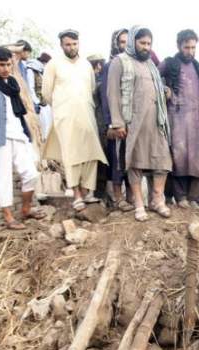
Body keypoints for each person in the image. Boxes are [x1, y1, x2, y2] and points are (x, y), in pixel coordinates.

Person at [106, 25, 174, 221]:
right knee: (135, 163)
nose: (146, 47)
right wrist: (118, 123)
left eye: (149, 44)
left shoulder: (151, 64)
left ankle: (157, 200)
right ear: (132, 42)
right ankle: (138, 204)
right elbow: (113, 94)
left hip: (155, 122)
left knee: (162, 161)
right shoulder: (120, 62)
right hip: (133, 122)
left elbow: (155, 87)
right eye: (142, 43)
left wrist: (164, 91)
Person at [0, 46, 45, 229]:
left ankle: (26, 209)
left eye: (8, 64)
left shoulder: (13, 83)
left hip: (19, 135)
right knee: (2, 178)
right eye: (1, 65)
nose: (5, 68)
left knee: (31, 174)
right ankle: (8, 218)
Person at [42, 29, 107, 210]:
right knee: (71, 155)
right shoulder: (53, 64)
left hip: (86, 115)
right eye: (68, 44)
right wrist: (62, 107)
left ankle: (87, 193)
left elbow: (92, 89)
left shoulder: (86, 65)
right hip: (65, 117)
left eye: (74, 44)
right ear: (61, 45)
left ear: (79, 43)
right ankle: (77, 194)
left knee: (90, 154)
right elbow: (47, 93)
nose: (71, 47)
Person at [159, 29, 199, 208]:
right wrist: (165, 89)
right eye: (186, 47)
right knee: (178, 159)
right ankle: (180, 198)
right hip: (176, 119)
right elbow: (154, 79)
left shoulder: (198, 68)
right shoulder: (169, 64)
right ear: (178, 46)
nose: (190, 51)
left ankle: (193, 198)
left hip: (196, 122)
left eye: (193, 47)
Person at [99, 29, 133, 211]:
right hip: (117, 123)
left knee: (132, 161)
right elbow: (107, 97)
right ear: (115, 43)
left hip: (133, 123)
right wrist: (111, 123)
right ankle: (119, 199)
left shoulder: (134, 65)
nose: (125, 46)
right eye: (122, 42)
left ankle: (132, 197)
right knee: (118, 160)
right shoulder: (110, 65)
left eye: (128, 42)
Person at [15, 40, 41, 113]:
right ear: (22, 51)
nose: (29, 55)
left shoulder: (23, 65)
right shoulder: (14, 64)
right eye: (28, 52)